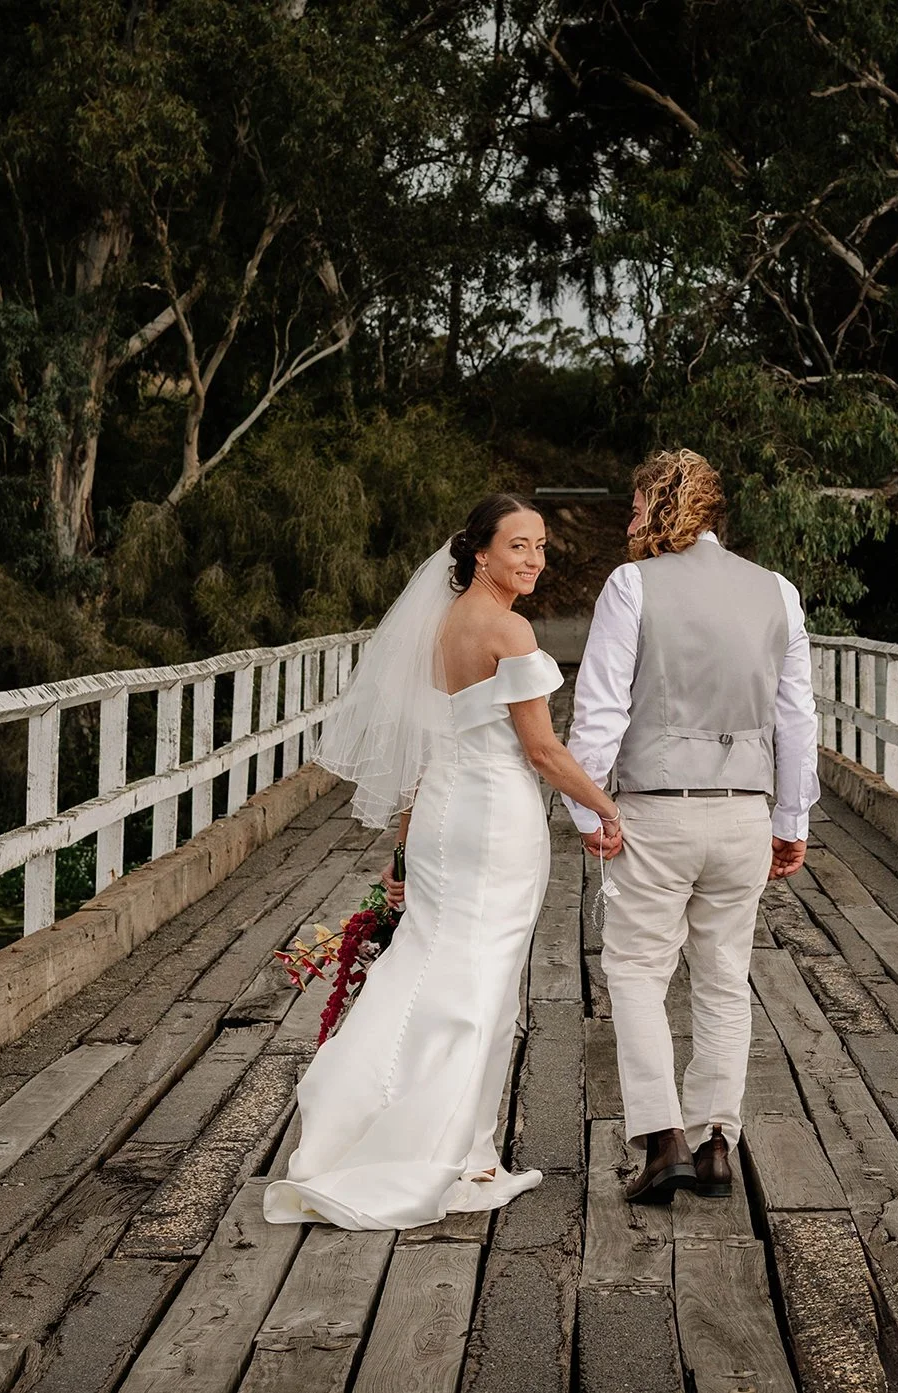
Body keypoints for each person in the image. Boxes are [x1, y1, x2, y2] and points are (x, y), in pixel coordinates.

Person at [265, 494, 624, 1230]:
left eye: (542, 546)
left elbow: (427, 743)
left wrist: (403, 840)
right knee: (481, 984)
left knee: (427, 966)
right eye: (519, 545)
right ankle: (456, 1155)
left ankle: (439, 1141)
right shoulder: (508, 628)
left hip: (440, 816)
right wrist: (608, 807)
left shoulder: (440, 628)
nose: (534, 559)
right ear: (481, 552)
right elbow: (543, 750)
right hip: (492, 817)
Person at [564, 449, 819, 1204]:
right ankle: (716, 1145)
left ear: (665, 502)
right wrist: (790, 816)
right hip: (743, 811)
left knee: (638, 970)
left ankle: (662, 1137)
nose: (630, 519)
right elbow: (797, 719)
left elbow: (601, 708)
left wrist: (590, 806)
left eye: (638, 503)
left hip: (656, 809)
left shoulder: (631, 586)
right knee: (723, 978)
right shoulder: (778, 591)